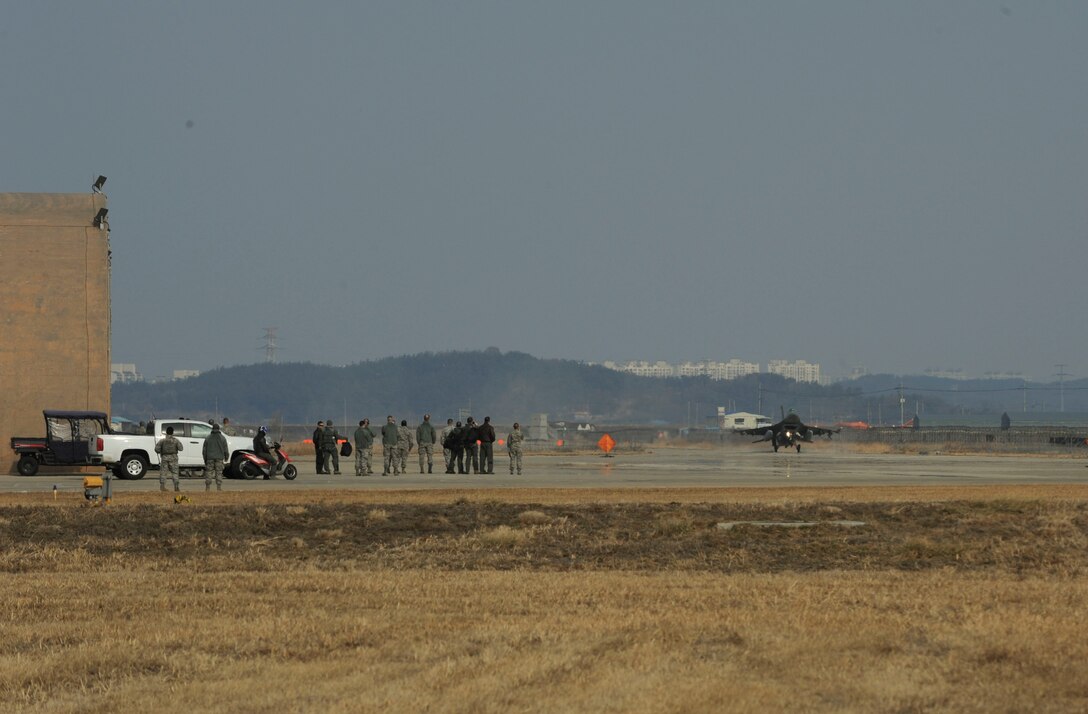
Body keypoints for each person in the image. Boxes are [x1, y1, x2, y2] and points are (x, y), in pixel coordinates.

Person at [155, 425, 183, 492]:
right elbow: (181, 448)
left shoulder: (162, 441)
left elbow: (156, 449)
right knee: (175, 473)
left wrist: (162, 451)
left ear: (166, 432)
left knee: (163, 472)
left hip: (164, 457)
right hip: (173, 458)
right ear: (172, 432)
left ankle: (162, 487)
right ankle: (176, 487)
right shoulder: (176, 440)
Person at [202, 422, 229, 491]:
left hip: (209, 458)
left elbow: (204, 450)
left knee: (209, 472)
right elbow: (225, 449)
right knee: (219, 472)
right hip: (219, 458)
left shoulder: (208, 438)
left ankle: (207, 487)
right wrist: (226, 457)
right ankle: (219, 487)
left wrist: (205, 459)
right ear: (219, 429)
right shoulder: (222, 438)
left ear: (212, 429)